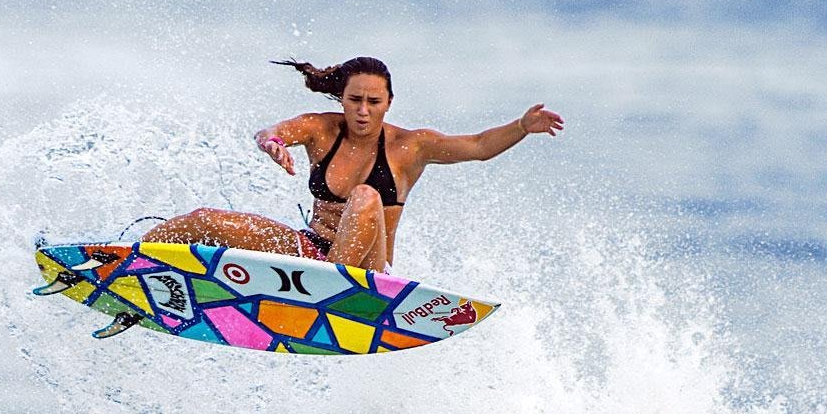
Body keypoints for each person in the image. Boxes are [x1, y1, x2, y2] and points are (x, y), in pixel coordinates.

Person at [142, 56, 564, 272]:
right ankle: (132, 263)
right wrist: (272, 143)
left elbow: (477, 145)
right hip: (310, 253)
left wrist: (522, 127)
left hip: (367, 274)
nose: (362, 111)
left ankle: (331, 285)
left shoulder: (410, 147)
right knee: (203, 220)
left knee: (366, 196)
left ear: (388, 103)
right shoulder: (323, 129)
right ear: (341, 99)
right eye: (354, 100)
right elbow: (273, 130)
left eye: (373, 102)